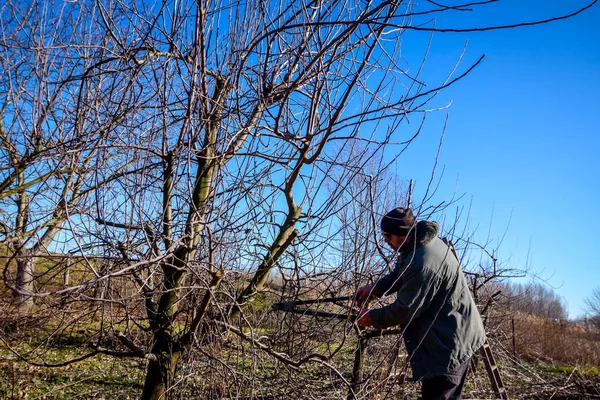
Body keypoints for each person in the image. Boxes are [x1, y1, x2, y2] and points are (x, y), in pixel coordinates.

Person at [355, 207, 485, 400]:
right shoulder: (416, 244)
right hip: (449, 334)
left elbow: (404, 310)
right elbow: (400, 274)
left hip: (449, 346)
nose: (385, 241)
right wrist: (375, 288)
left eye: (386, 236)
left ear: (400, 235)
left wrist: (371, 318)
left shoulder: (422, 261)